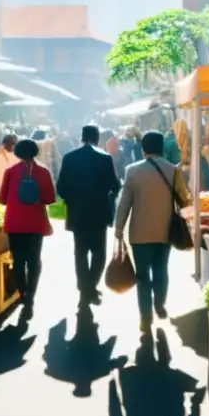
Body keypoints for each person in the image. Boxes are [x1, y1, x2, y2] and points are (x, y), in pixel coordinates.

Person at [115, 130, 189, 331]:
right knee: (161, 269)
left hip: (139, 233)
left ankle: (145, 317)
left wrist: (118, 228)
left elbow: (124, 204)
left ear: (143, 148)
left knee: (142, 276)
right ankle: (160, 304)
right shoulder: (173, 170)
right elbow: (184, 198)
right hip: (166, 230)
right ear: (162, 147)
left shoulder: (132, 170)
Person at [56, 125, 122, 304]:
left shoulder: (69, 158)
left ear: (81, 137)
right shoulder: (105, 158)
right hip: (99, 212)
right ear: (97, 138)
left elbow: (60, 187)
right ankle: (90, 285)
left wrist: (72, 198)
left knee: (80, 252)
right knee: (99, 252)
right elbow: (115, 186)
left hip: (77, 212)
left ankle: (85, 287)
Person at [0, 138, 56, 309]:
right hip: (36, 223)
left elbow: (2, 199)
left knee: (18, 260)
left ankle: (22, 292)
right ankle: (31, 293)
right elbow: (50, 199)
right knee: (34, 260)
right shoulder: (43, 172)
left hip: (14, 223)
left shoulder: (10, 172)